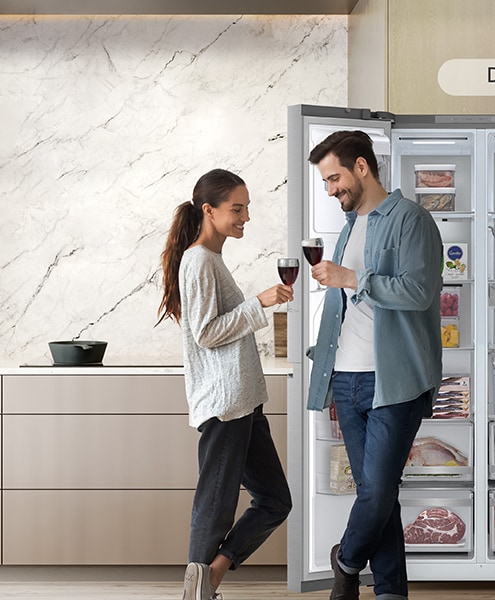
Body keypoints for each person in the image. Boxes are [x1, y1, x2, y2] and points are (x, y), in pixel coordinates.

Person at [305, 130, 443, 600]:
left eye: (335, 178)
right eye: (325, 182)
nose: (331, 190)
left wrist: (351, 277)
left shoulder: (412, 219)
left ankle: (345, 560)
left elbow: (419, 292)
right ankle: (390, 592)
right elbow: (346, 309)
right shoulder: (348, 228)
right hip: (346, 379)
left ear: (362, 166)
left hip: (393, 379)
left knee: (378, 492)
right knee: (378, 496)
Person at [157, 168, 294, 600]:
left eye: (247, 208)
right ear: (209, 210)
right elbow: (205, 332)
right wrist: (260, 303)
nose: (245, 217)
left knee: (275, 500)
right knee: (215, 504)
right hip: (224, 403)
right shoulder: (198, 259)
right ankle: (196, 592)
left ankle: (211, 575)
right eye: (237, 209)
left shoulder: (212, 259)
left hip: (244, 401)